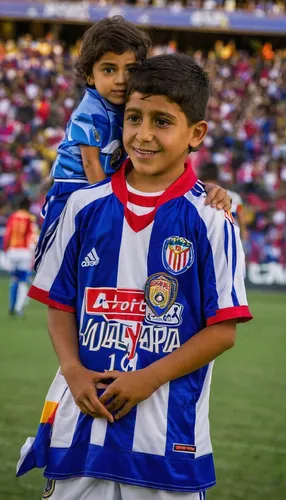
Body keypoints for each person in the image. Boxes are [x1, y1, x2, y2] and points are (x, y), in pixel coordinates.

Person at [17, 54, 252, 499]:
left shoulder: (212, 219)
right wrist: (72, 370)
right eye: (133, 118)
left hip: (167, 448)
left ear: (195, 134)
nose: (143, 135)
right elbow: (59, 303)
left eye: (162, 121)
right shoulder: (83, 208)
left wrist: (149, 378)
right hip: (79, 436)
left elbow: (223, 331)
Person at [35, 16, 232, 272]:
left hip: (102, 186)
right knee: (57, 263)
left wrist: (202, 190)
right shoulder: (90, 111)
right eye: (109, 69)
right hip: (74, 185)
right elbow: (90, 161)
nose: (120, 79)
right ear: (89, 76)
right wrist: (105, 205)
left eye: (129, 70)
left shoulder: (124, 107)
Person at [3, 197, 37, 316]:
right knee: (23, 281)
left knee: (14, 279)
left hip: (12, 251)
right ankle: (18, 308)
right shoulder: (30, 218)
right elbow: (33, 237)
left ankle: (11, 306)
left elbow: (8, 234)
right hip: (24, 252)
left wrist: (6, 249)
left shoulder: (12, 217)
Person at [198, 162, 248, 241]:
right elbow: (241, 217)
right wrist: (242, 239)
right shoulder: (234, 196)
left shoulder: (196, 196)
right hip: (229, 239)